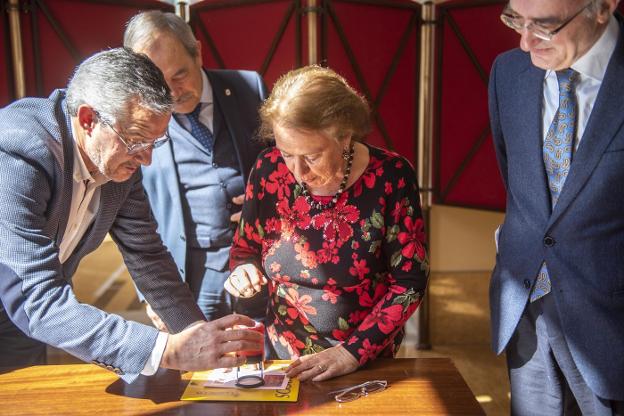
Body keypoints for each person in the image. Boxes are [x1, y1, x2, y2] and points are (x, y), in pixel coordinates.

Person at [0, 48, 262, 383]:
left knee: (22, 395)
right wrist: (165, 350)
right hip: (30, 302)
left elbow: (147, 254)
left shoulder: (119, 162)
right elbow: (36, 299)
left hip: (23, 321)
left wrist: (196, 333)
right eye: (137, 140)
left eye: (156, 142)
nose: (147, 159)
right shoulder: (19, 153)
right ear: (87, 119)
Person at [223, 65, 430, 382]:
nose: (298, 171)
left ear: (345, 136)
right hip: (282, 355)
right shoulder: (268, 169)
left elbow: (409, 282)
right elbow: (244, 248)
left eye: (313, 156)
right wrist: (242, 269)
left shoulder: (391, 176)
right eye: (286, 153)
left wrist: (352, 353)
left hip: (362, 356)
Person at [490, 0, 624, 413]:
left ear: (602, 8)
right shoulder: (508, 72)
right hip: (526, 304)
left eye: (545, 26)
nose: (526, 41)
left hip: (612, 323)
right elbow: (517, 180)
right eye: (516, 20)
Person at [123, 11, 268, 323]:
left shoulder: (249, 88)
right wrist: (151, 293)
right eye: (158, 85)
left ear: (198, 52)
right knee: (205, 369)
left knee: (269, 363)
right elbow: (128, 215)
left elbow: (289, 169)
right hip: (188, 275)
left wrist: (268, 207)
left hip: (260, 265)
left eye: (179, 76)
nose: (172, 94)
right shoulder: (138, 119)